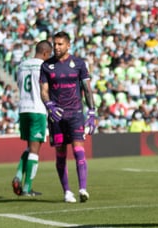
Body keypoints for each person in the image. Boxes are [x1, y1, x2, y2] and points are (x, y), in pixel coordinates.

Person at [40, 31, 97, 203]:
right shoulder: (46, 66)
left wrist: (92, 111)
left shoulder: (79, 64)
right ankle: (67, 191)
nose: (56, 47)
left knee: (79, 149)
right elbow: (44, 91)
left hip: (75, 114)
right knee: (61, 153)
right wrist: (49, 105)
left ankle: (83, 189)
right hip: (57, 116)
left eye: (59, 44)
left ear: (68, 45)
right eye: (54, 44)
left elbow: (87, 88)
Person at [11, 40, 53, 196]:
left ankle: (17, 176)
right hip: (37, 109)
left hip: (23, 109)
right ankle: (27, 188)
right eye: (49, 55)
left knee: (29, 147)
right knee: (35, 150)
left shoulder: (21, 65)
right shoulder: (44, 67)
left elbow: (19, 84)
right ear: (44, 53)